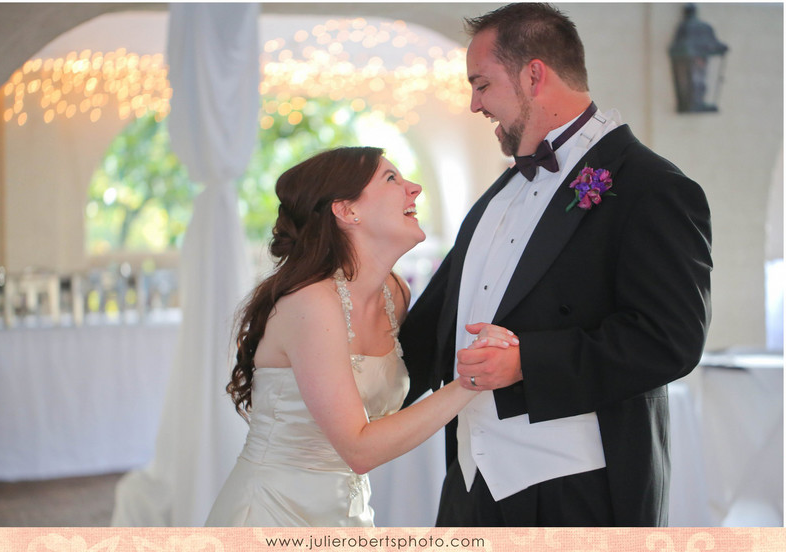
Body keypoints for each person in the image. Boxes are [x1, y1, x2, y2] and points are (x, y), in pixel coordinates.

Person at [399, 3, 712, 527]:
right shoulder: (501, 192)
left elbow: (670, 339)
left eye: (481, 84)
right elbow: (438, 323)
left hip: (580, 492)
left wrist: (527, 362)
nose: (475, 104)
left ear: (534, 74)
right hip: (471, 482)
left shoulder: (653, 187)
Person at [204, 146, 517, 527]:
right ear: (346, 211)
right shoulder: (312, 303)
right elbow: (359, 448)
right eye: (392, 179)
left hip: (348, 513)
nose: (414, 188)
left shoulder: (394, 294)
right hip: (274, 513)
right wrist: (473, 379)